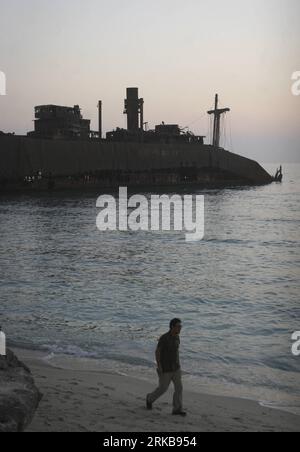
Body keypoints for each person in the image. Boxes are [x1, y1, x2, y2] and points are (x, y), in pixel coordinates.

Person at [146, 318, 186, 416]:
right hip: (165, 369)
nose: (180, 328)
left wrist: (179, 365)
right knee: (162, 388)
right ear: (172, 327)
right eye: (178, 326)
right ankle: (149, 398)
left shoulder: (177, 337)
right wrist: (159, 366)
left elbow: (176, 352)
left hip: (176, 368)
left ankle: (177, 409)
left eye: (181, 326)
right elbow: (157, 352)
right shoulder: (164, 338)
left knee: (179, 388)